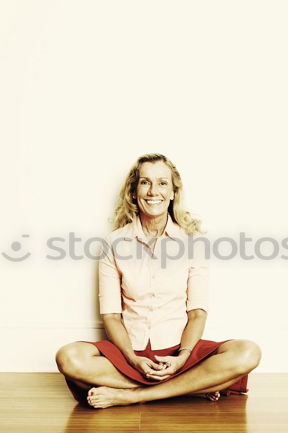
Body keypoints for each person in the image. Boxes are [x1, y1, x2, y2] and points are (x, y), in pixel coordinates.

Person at [55, 153, 261, 409]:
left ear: (174, 192)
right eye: (145, 182)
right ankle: (191, 387)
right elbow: (111, 316)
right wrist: (132, 359)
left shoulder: (192, 242)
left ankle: (133, 395)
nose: (154, 191)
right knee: (69, 357)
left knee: (248, 352)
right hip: (129, 351)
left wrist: (183, 358)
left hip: (179, 353)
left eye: (162, 183)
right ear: (134, 191)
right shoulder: (114, 243)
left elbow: (197, 313)